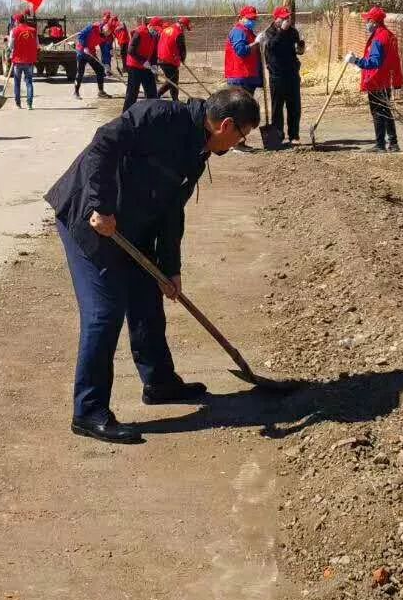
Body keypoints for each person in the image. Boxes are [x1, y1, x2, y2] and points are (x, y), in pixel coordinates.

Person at [46, 87, 261, 443]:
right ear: (225, 124)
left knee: (147, 299)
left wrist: (170, 268)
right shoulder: (160, 116)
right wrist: (100, 205)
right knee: (104, 312)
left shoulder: (198, 150)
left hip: (132, 226)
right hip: (90, 218)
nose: (239, 142)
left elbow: (171, 211)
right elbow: (103, 144)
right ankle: (88, 411)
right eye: (242, 134)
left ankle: (159, 383)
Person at [347, 6, 403, 153]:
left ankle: (380, 144)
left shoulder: (379, 38)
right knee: (386, 111)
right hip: (385, 80)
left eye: (368, 20)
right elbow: (392, 61)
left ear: (374, 21)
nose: (366, 22)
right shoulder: (388, 35)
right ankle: (393, 143)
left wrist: (356, 61)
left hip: (377, 81)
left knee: (378, 112)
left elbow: (375, 62)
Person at [262, 7, 306, 146]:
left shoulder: (293, 31)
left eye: (288, 17)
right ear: (276, 18)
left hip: (292, 74)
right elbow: (271, 47)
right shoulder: (269, 32)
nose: (287, 20)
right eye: (283, 17)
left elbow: (297, 50)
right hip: (276, 75)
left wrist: (301, 47)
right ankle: (278, 137)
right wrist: (281, 31)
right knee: (277, 108)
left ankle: (294, 135)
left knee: (294, 107)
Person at [122, 16, 162, 112]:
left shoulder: (155, 36)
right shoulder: (139, 32)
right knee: (132, 93)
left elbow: (153, 52)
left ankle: (152, 113)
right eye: (156, 29)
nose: (157, 32)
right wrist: (143, 61)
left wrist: (153, 64)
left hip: (146, 67)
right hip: (134, 66)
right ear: (151, 25)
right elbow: (131, 50)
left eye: (158, 30)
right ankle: (126, 114)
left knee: (152, 92)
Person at [224, 6, 265, 96]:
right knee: (240, 107)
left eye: (254, 18)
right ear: (241, 18)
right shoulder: (239, 31)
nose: (252, 21)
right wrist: (256, 42)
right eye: (249, 18)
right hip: (240, 78)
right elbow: (241, 51)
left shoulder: (248, 32)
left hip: (248, 77)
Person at [74, 20, 111, 99]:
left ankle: (101, 92)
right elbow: (81, 35)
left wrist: (107, 63)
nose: (107, 34)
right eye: (107, 32)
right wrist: (84, 46)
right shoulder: (92, 27)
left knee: (100, 69)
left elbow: (104, 50)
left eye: (109, 33)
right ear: (104, 28)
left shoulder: (105, 36)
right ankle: (76, 92)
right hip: (82, 51)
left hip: (91, 53)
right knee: (80, 72)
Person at [9, 12, 39, 109]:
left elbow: (10, 46)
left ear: (17, 21)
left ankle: (18, 103)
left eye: (15, 21)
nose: (14, 22)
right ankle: (29, 104)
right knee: (29, 82)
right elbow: (37, 45)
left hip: (18, 61)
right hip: (29, 61)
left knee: (17, 82)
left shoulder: (14, 31)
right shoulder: (33, 30)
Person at [156, 16, 190, 100]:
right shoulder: (179, 33)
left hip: (161, 58)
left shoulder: (167, 29)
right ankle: (157, 94)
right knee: (172, 81)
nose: (185, 30)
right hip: (170, 59)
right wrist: (183, 59)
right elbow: (182, 49)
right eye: (186, 27)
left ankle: (175, 99)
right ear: (182, 25)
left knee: (172, 80)